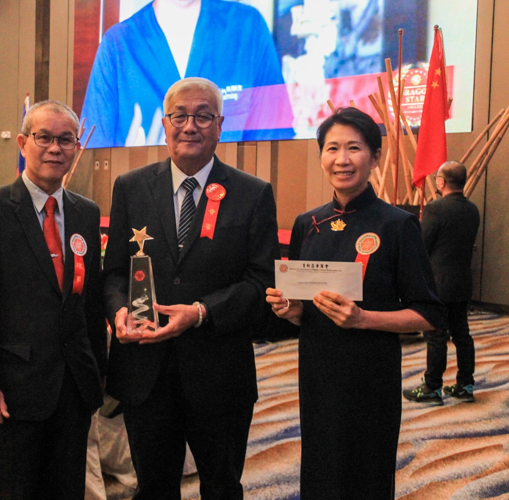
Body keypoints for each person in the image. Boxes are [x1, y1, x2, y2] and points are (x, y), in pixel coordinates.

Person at [103, 77, 280, 499]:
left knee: (221, 488)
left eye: (202, 116)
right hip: (145, 371)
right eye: (179, 115)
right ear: (164, 123)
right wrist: (117, 312)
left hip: (220, 374)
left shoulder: (253, 194)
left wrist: (201, 311)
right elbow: (113, 275)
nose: (190, 125)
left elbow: (262, 282)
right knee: (153, 488)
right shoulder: (130, 187)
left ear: (220, 125)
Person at [266, 107, 446, 500]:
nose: (342, 159)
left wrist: (363, 318)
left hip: (371, 377)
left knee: (366, 473)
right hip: (316, 372)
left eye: (354, 148)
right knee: (319, 467)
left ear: (374, 157)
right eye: (332, 148)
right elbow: (304, 309)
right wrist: (292, 312)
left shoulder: (397, 225)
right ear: (321, 157)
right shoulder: (306, 224)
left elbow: (429, 314)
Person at [0, 100, 107, 499]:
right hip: (10, 391)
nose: (55, 148)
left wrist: (98, 375)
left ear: (76, 147)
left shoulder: (85, 213)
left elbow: (89, 303)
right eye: (44, 138)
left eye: (65, 140)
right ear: (23, 143)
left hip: (73, 390)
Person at [80, 0, 293, 148]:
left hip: (231, 206)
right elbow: (93, 158)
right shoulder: (118, 45)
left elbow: (275, 146)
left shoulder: (248, 29)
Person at [403, 161, 481, 405]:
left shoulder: (435, 209)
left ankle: (432, 388)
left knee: (436, 335)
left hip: (438, 284)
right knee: (462, 335)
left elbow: (422, 246)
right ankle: (465, 385)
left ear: (440, 182)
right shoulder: (473, 209)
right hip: (462, 282)